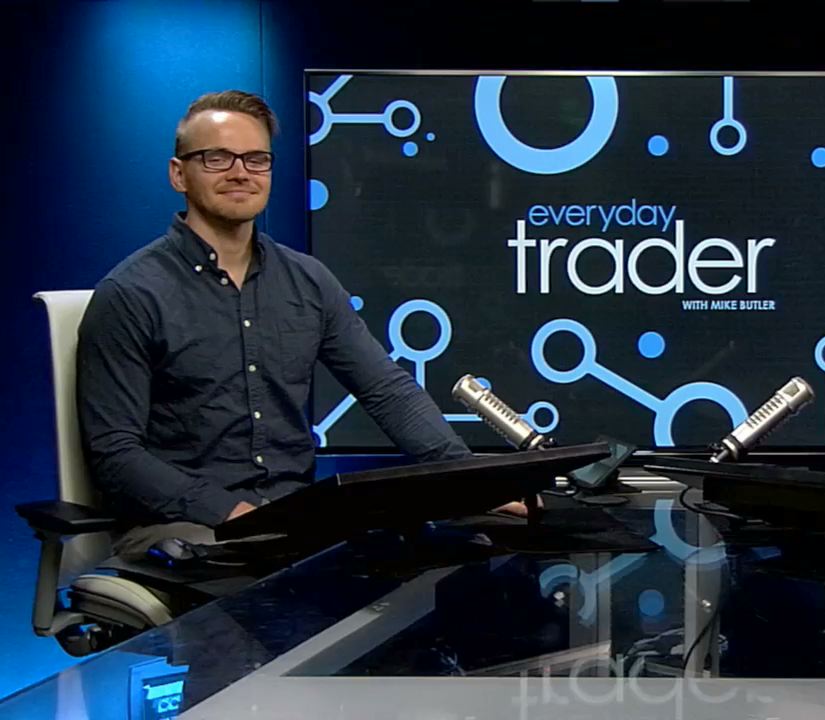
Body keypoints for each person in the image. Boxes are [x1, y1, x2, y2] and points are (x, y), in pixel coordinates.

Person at [76, 90, 509, 560]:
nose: (240, 172)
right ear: (179, 174)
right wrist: (231, 512)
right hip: (182, 527)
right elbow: (115, 454)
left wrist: (471, 483)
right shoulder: (131, 294)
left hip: (295, 518)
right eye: (217, 158)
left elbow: (387, 391)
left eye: (256, 160)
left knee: (443, 556)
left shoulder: (307, 280)